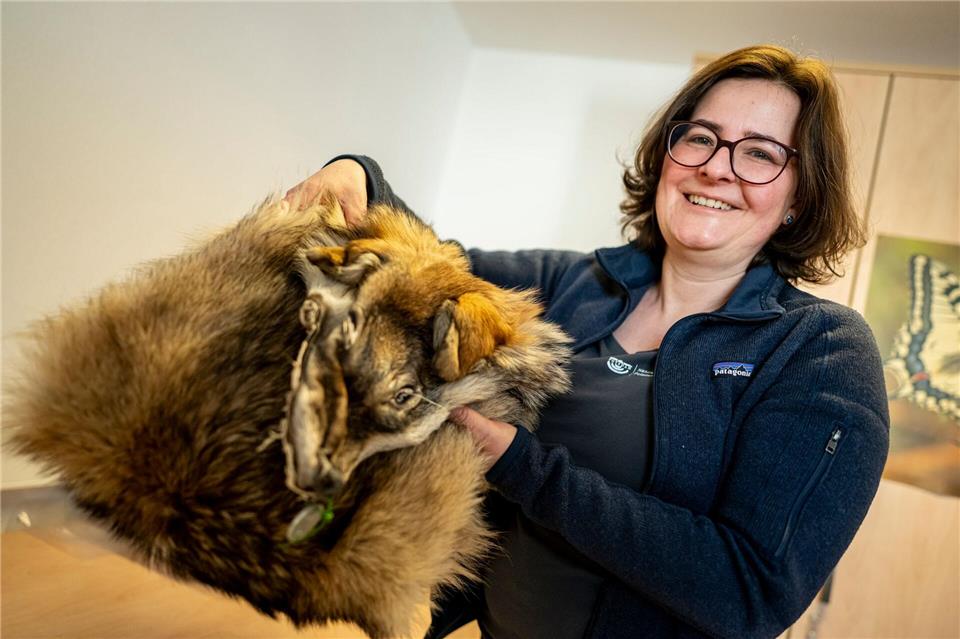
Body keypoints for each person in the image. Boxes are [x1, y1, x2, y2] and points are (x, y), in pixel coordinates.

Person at [285, 45, 889, 639]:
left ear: (799, 198)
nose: (715, 165)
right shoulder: (573, 283)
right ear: (667, 155)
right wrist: (359, 173)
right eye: (700, 136)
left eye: (759, 153)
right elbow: (426, 268)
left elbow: (747, 591)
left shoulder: (819, 349)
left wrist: (522, 466)